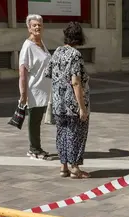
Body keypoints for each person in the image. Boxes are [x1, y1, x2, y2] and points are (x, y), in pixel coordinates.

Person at [46, 22, 90, 179]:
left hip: (59, 103)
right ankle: (74, 168)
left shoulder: (57, 51)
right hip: (72, 103)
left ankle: (63, 166)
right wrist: (82, 107)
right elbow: (76, 82)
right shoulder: (75, 55)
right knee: (75, 134)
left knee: (62, 133)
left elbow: (49, 72)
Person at [19, 14, 52, 161]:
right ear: (29, 28)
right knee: (34, 121)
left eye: (39, 24)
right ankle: (33, 149)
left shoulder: (41, 43)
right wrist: (23, 94)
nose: (37, 27)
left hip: (45, 90)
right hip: (35, 90)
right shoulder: (28, 46)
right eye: (34, 25)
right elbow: (22, 72)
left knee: (38, 121)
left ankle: (37, 147)